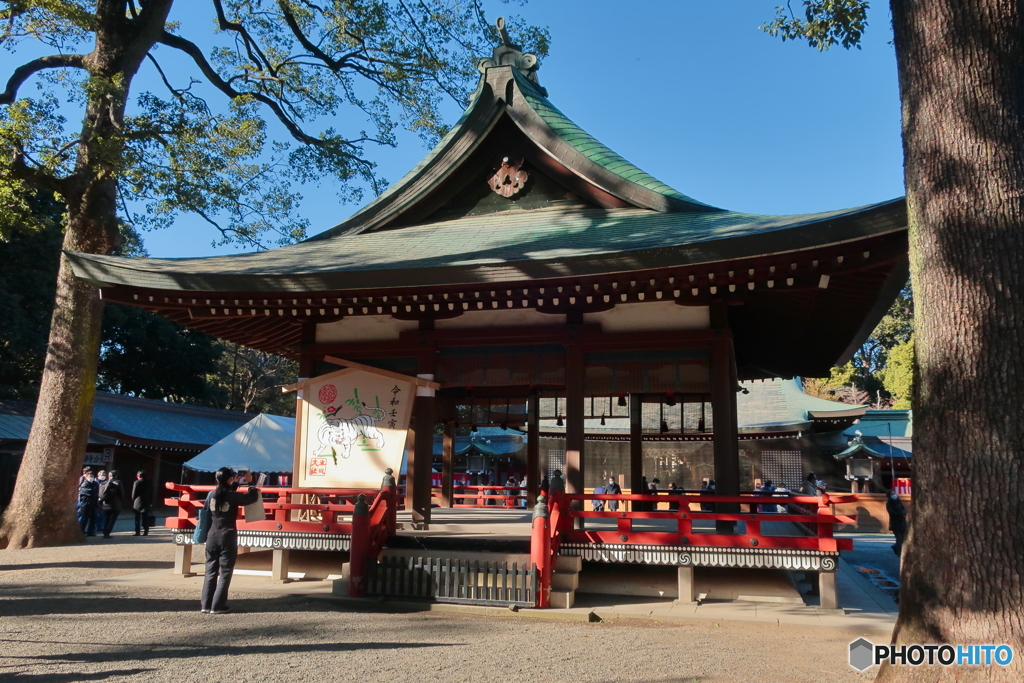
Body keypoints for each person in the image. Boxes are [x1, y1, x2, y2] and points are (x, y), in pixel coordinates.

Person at [201, 466, 259, 614]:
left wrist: (236, 483)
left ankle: (206, 604)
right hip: (228, 535)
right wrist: (250, 483)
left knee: (210, 570)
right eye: (232, 477)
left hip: (212, 535)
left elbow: (226, 493)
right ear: (228, 479)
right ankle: (218, 605)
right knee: (225, 571)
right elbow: (251, 498)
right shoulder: (231, 496)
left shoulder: (212, 495)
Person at [99, 470, 124, 538]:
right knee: (112, 520)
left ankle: (104, 532)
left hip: (105, 503)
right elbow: (121, 494)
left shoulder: (104, 483)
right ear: (116, 476)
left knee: (106, 518)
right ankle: (107, 533)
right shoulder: (118, 483)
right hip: (115, 504)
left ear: (109, 476)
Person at [886, 489, 908, 556]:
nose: (894, 495)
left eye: (894, 493)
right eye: (892, 494)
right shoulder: (889, 504)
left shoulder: (899, 501)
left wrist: (904, 512)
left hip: (902, 521)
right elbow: (892, 513)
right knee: (899, 538)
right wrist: (900, 513)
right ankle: (899, 552)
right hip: (895, 523)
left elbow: (903, 508)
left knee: (904, 537)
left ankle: (896, 547)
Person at [132, 470, 154, 536]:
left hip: (138, 501)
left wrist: (133, 500)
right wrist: (151, 502)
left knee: (137, 518)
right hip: (147, 501)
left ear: (138, 476)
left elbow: (134, 493)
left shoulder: (137, 482)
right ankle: (146, 531)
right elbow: (152, 493)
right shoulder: (150, 482)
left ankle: (137, 531)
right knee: (146, 517)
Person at [78, 471, 99, 536]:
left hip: (94, 503)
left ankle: (91, 532)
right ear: (86, 477)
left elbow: (97, 491)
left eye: (92, 476)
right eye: (90, 476)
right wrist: (94, 491)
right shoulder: (84, 483)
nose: (91, 477)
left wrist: (95, 492)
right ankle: (81, 531)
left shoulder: (95, 483)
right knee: (84, 518)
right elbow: (86, 491)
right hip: (86, 503)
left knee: (93, 518)